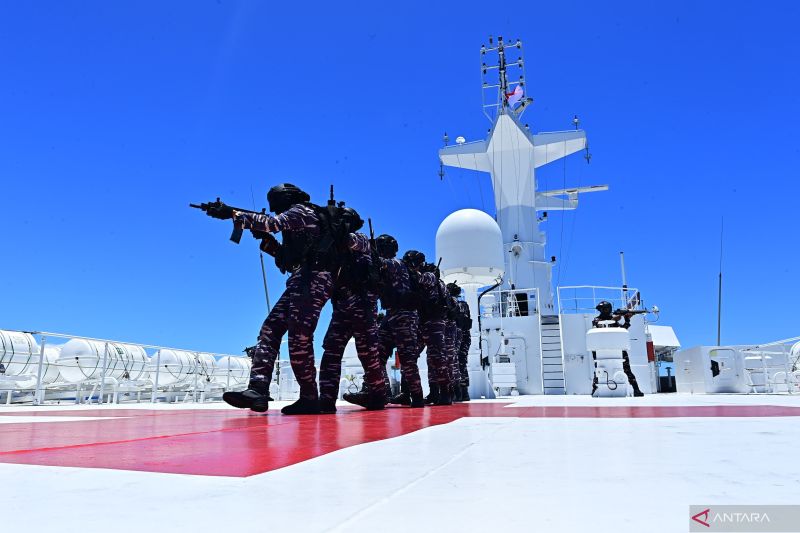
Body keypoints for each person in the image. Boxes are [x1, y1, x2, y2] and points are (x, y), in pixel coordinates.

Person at [218, 183, 332, 415]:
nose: (275, 208)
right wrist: (265, 241)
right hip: (301, 279)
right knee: (270, 330)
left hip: (314, 279)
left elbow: (272, 223)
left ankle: (310, 397)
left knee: (299, 337)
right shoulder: (295, 223)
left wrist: (234, 214)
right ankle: (258, 390)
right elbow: (287, 259)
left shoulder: (302, 211)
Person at [317, 208, 387, 412]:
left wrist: (337, 231)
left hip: (363, 306)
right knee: (331, 351)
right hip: (341, 308)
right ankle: (327, 399)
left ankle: (377, 395)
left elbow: (350, 241)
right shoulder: (335, 248)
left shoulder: (361, 240)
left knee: (368, 355)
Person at [348, 234, 425, 408]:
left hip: (405, 316)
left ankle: (417, 396)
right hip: (391, 315)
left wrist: (367, 251)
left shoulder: (396, 264)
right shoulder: (392, 265)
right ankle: (373, 391)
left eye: (380, 246)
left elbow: (378, 264)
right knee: (377, 354)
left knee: (407, 358)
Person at [406, 252, 451, 406]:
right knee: (410, 355)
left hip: (434, 323)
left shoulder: (430, 277)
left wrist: (408, 271)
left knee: (437, 358)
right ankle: (409, 392)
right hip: (422, 322)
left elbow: (420, 278)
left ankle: (445, 393)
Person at [591, 300, 644, 397]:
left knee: (627, 370)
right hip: (601, 350)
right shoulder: (596, 320)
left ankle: (636, 389)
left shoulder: (613, 320)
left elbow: (623, 329)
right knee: (599, 370)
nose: (602, 311)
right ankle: (594, 389)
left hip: (617, 348)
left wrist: (627, 318)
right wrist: (615, 318)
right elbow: (599, 325)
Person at [445, 282, 463, 401]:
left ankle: (456, 392)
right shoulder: (459, 302)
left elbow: (451, 315)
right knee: (453, 362)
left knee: (451, 363)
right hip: (454, 333)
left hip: (450, 333)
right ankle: (458, 393)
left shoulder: (452, 301)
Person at [455, 297, 472, 401]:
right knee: (462, 363)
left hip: (461, 338)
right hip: (464, 338)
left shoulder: (458, 305)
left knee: (458, 363)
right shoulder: (464, 304)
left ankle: (462, 392)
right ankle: (464, 392)